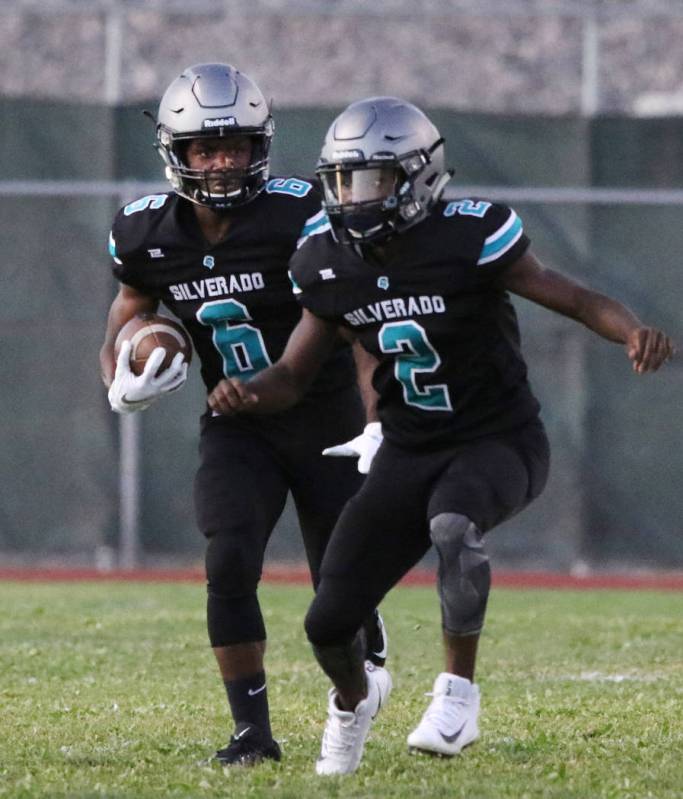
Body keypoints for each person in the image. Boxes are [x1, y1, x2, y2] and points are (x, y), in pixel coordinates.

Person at [205, 96, 675, 775]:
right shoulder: (326, 260)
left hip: (497, 438)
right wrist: (247, 393)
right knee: (328, 621)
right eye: (340, 181)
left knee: (454, 525)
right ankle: (351, 700)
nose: (351, 197)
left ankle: (457, 694)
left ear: (417, 177)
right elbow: (292, 373)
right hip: (407, 448)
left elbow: (571, 296)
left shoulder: (468, 235)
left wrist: (630, 328)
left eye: (368, 179)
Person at [99, 64, 387, 767]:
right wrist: (119, 380)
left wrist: (379, 422)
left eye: (235, 145)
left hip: (327, 420)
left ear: (260, 146)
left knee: (337, 585)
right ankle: (251, 733)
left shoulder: (302, 215)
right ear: (177, 152)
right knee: (228, 559)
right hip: (237, 422)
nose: (222, 161)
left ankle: (362, 651)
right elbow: (128, 316)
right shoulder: (146, 231)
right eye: (206, 147)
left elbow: (362, 325)